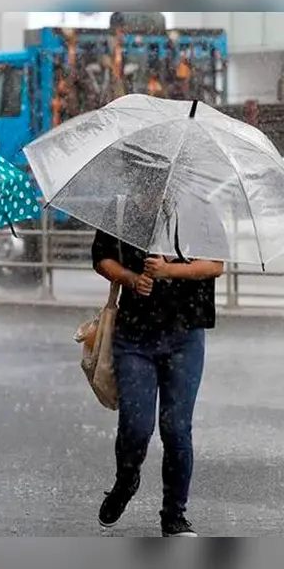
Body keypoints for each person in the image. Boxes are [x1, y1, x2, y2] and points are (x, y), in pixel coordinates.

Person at [92, 192, 227, 537]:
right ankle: (126, 479)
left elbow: (216, 265)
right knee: (136, 426)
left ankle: (174, 515)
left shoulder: (200, 206)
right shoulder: (122, 206)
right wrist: (132, 279)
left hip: (186, 332)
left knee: (177, 429)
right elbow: (101, 258)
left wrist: (170, 270)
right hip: (134, 335)